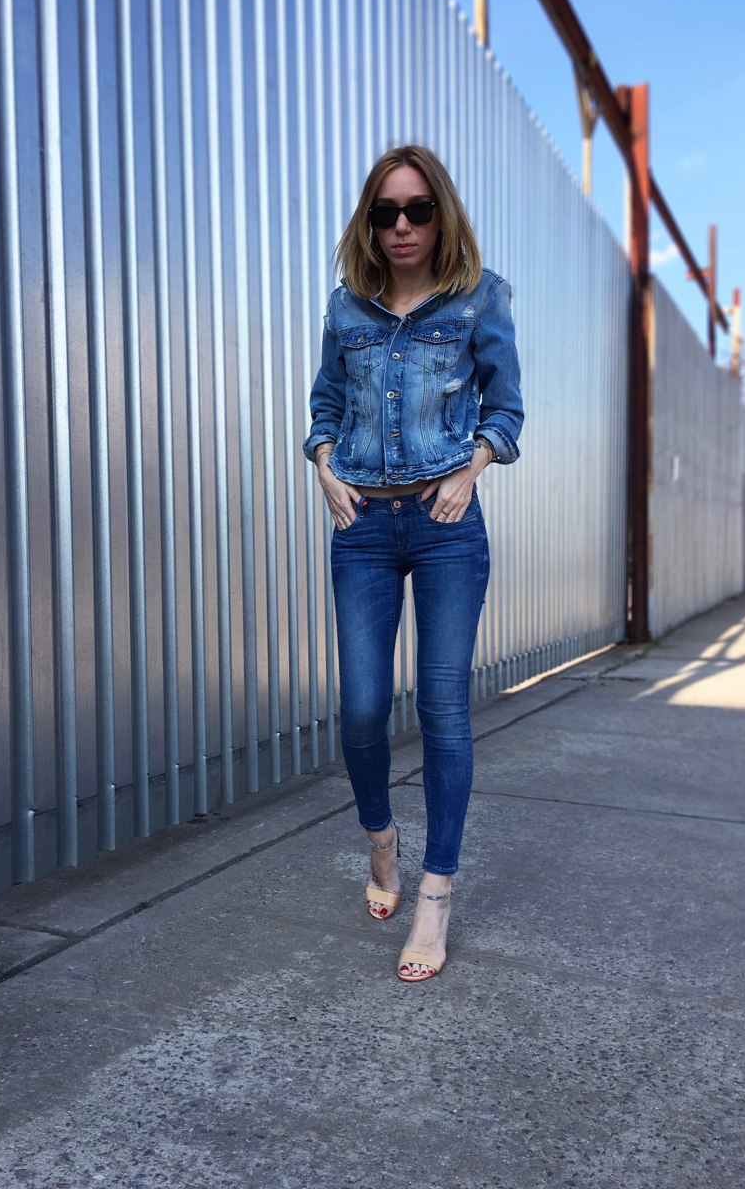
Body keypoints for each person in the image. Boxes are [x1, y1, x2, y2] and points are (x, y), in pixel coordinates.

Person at [302, 145, 523, 982]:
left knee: (442, 709)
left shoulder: (479, 298)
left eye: (418, 209)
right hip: (360, 523)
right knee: (361, 711)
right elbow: (327, 399)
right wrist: (322, 462)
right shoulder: (347, 308)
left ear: (443, 214)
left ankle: (435, 893)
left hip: (444, 525)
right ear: (369, 220)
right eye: (386, 211)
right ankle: (381, 841)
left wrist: (471, 472)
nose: (401, 226)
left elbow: (505, 407)